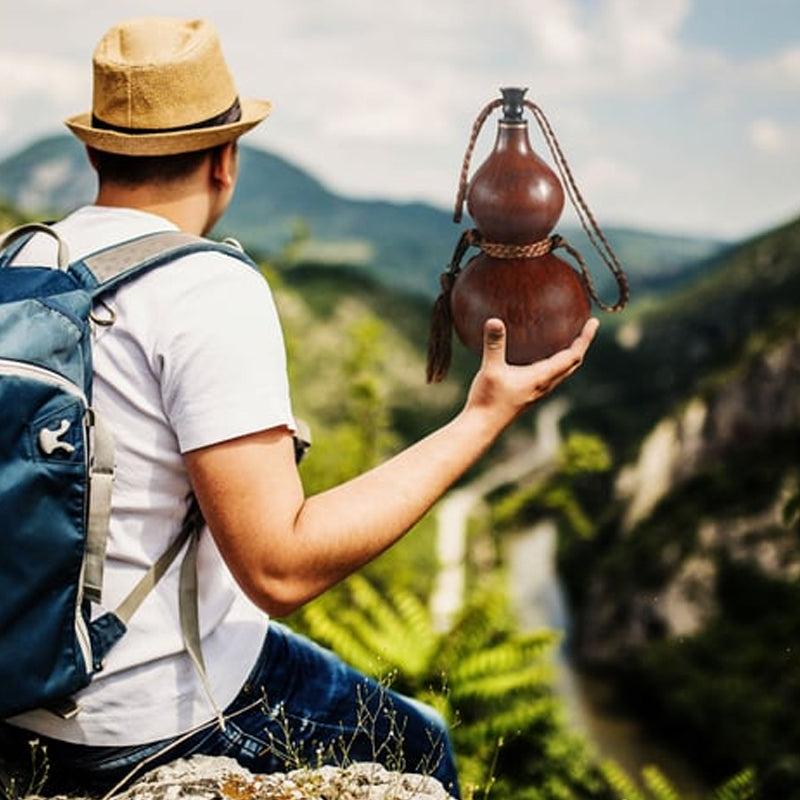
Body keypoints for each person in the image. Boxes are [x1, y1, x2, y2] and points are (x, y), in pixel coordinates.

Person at [0, 17, 598, 799]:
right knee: (423, 744)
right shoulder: (205, 287)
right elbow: (280, 569)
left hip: (22, 688)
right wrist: (481, 417)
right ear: (226, 159)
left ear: (94, 152)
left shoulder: (21, 261)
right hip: (143, 716)